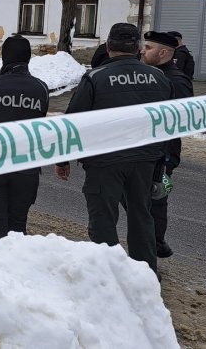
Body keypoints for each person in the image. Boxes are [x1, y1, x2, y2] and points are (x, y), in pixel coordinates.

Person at [55, 23, 175, 274]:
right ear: (138, 48)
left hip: (104, 161)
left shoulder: (95, 78)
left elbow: (72, 122)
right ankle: (145, 275)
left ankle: (108, 276)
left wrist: (63, 160)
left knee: (103, 219)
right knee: (141, 216)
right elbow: (167, 121)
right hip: (145, 160)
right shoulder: (159, 77)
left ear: (108, 46)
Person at [0, 35, 50, 238]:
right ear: (28, 58)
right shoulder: (41, 88)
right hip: (26, 167)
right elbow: (41, 117)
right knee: (17, 228)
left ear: (4, 57)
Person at [141, 31, 193, 258]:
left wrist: (166, 157)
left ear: (163, 53)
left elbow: (181, 119)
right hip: (148, 150)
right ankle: (152, 241)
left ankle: (155, 243)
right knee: (143, 199)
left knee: (157, 198)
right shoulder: (151, 74)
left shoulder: (176, 80)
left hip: (163, 154)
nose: (143, 50)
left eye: (149, 47)